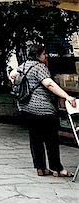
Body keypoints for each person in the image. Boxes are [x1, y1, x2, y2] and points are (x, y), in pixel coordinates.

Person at [10, 43, 77, 177]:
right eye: (44, 53)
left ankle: (40, 168)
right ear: (38, 55)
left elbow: (12, 75)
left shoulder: (24, 65)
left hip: (25, 107)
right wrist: (67, 96)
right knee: (51, 139)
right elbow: (49, 83)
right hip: (43, 109)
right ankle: (57, 169)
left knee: (35, 138)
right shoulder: (39, 67)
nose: (46, 56)